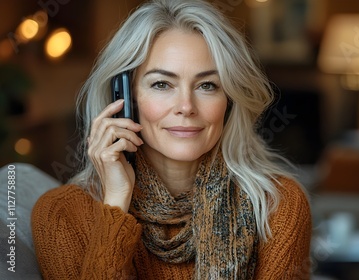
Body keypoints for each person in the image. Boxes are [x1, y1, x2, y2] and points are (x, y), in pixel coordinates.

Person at [31, 0, 312, 279]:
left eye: (207, 85)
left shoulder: (278, 206)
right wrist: (116, 202)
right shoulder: (60, 214)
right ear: (125, 99)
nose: (186, 106)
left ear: (229, 100)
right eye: (162, 84)